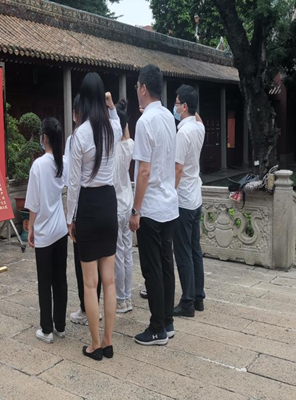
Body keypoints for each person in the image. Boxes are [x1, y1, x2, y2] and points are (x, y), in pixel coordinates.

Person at [67, 72, 122, 360]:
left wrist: (70, 219)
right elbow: (116, 118)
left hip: (88, 205)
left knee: (90, 283)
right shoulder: (113, 128)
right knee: (109, 281)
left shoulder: (80, 135)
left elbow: (73, 184)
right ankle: (109, 341)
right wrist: (110, 104)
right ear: (102, 97)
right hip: (109, 202)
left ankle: (94, 344)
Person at [129, 64, 178, 346]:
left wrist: (136, 210)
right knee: (166, 263)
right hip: (169, 203)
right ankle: (167, 322)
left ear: (144, 88)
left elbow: (144, 172)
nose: (137, 90)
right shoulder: (169, 117)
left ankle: (157, 327)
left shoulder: (145, 121)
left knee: (152, 268)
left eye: (137, 86)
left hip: (151, 206)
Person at [25, 117, 69, 344]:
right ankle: (60, 325)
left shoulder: (39, 165)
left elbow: (33, 203)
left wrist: (30, 227)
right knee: (60, 278)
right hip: (60, 229)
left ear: (44, 138)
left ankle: (47, 329)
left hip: (44, 232)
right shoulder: (63, 162)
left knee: (45, 281)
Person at [67, 94, 103, 326]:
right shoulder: (104, 132)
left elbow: (73, 182)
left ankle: (86, 308)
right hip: (104, 204)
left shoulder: (76, 138)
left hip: (83, 207)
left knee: (84, 266)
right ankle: (95, 306)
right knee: (100, 264)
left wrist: (70, 217)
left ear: (75, 113)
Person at [172, 85, 206, 317]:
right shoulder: (199, 127)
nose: (174, 107)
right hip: (196, 196)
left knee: (183, 251)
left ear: (184, 106)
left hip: (183, 198)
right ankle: (198, 297)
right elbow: (198, 118)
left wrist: (170, 193)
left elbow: (177, 168)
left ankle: (187, 301)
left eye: (177, 103)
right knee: (195, 249)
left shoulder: (182, 133)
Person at [113, 99, 135, 313]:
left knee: (118, 254)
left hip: (115, 206)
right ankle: (127, 296)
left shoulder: (110, 150)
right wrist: (124, 119)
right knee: (127, 251)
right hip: (128, 204)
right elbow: (126, 135)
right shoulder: (128, 146)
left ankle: (120, 299)